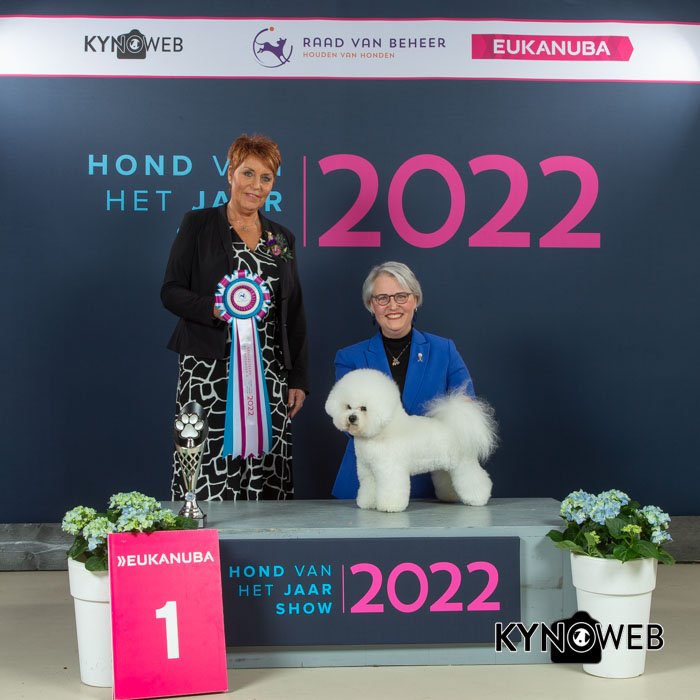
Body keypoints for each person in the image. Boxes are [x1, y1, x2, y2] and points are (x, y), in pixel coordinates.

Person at [161, 134, 309, 500]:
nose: (256, 185)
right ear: (230, 174)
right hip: (206, 369)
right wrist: (213, 307)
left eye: (266, 178)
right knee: (206, 463)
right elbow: (171, 291)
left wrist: (298, 378)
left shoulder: (280, 238)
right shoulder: (197, 224)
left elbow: (293, 310)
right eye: (248, 173)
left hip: (269, 372)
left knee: (263, 466)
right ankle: (200, 527)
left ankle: (264, 536)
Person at [331, 261, 475, 499]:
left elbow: (466, 407)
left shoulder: (444, 350)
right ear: (371, 305)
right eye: (382, 298)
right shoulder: (349, 357)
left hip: (430, 483)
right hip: (365, 487)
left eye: (401, 296)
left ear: (415, 300)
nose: (392, 306)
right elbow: (346, 419)